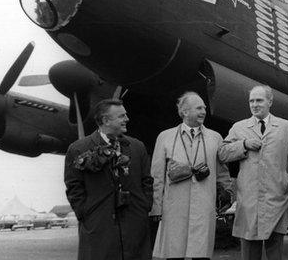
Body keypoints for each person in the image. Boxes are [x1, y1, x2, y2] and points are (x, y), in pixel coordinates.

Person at [64, 99, 153, 260]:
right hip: (98, 225)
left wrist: (144, 206)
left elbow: (147, 181)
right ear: (105, 120)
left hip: (134, 224)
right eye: (121, 116)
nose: (127, 119)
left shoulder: (137, 147)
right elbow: (74, 186)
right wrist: (86, 213)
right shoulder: (78, 148)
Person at [218, 85, 288, 260]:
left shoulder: (286, 127)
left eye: (259, 100)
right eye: (251, 101)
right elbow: (222, 153)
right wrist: (244, 144)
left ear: (270, 101)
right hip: (248, 199)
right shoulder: (239, 127)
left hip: (276, 197)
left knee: (275, 251)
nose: (254, 104)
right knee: (249, 251)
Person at [150, 92, 233, 260]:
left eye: (204, 107)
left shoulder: (215, 137)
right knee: (175, 252)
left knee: (200, 254)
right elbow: (156, 176)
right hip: (174, 207)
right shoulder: (165, 137)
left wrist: (227, 194)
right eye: (198, 108)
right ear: (184, 112)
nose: (203, 111)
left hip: (204, 205)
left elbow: (222, 172)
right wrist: (156, 207)